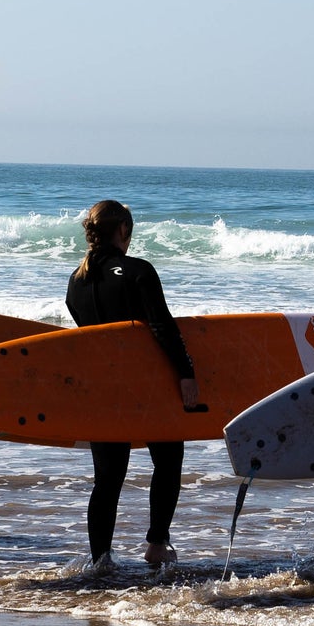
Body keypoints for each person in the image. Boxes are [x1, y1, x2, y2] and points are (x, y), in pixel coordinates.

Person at [66, 200, 206, 575]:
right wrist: (186, 373)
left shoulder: (76, 281)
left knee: (107, 478)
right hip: (147, 389)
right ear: (124, 232)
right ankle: (157, 544)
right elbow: (162, 327)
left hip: (102, 391)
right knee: (168, 460)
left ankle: (100, 561)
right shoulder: (139, 271)